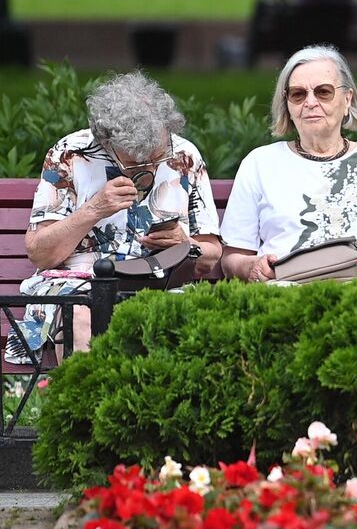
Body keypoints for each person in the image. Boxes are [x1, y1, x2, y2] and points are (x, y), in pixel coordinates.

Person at [16, 71, 220, 359]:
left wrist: (185, 243)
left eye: (157, 158)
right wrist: (95, 208)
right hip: (83, 285)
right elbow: (40, 253)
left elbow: (212, 254)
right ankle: (90, 404)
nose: (148, 169)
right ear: (108, 141)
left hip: (162, 285)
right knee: (83, 313)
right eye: (136, 162)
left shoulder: (184, 155)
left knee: (184, 317)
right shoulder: (71, 154)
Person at [219, 44, 357, 281]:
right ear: (287, 104)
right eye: (298, 94)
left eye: (323, 92)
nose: (310, 102)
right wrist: (252, 267)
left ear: (347, 99)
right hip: (287, 293)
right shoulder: (260, 163)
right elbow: (232, 257)